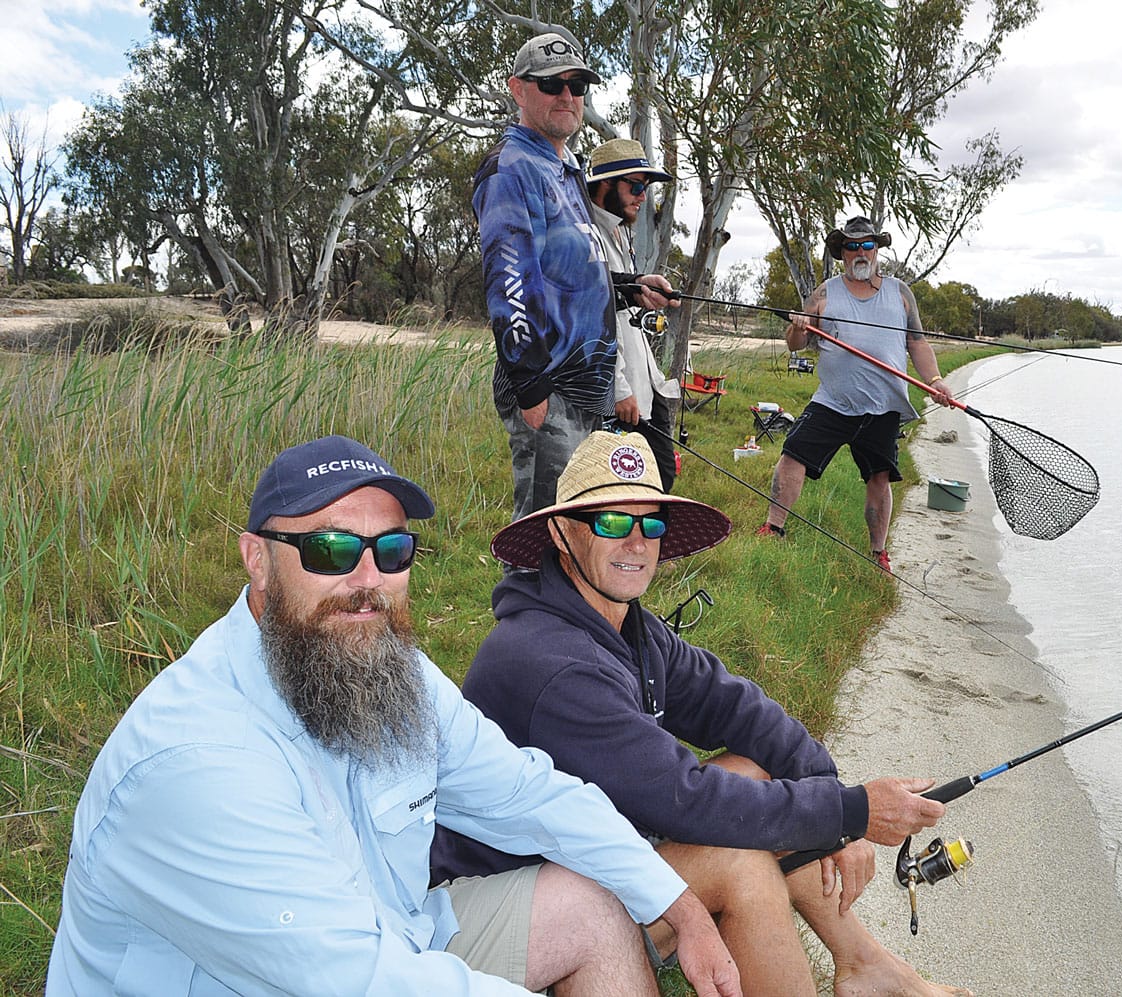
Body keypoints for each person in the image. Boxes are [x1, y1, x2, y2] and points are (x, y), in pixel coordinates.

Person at [47, 435, 739, 997]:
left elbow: (529, 793)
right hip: (304, 976)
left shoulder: (385, 669)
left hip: (394, 932)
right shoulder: (195, 761)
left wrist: (674, 903)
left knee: (593, 905)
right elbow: (357, 980)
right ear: (257, 560)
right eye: (331, 549)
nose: (367, 580)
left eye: (392, 550)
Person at [431, 431, 971, 997]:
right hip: (510, 893)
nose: (636, 542)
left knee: (756, 772)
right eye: (612, 522)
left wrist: (828, 789)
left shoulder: (627, 625)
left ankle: (863, 963)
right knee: (734, 856)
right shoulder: (549, 662)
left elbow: (737, 707)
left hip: (585, 851)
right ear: (562, 533)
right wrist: (852, 811)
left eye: (652, 524)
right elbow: (687, 799)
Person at [475, 33, 677, 524]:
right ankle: (526, 602)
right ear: (518, 90)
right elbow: (511, 287)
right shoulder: (512, 168)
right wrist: (532, 389)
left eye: (577, 84)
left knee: (582, 527)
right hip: (553, 391)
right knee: (547, 528)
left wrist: (629, 288)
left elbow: (569, 278)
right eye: (551, 85)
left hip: (589, 391)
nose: (567, 96)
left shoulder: (565, 168)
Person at [755, 216, 956, 573]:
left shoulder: (901, 293)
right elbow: (795, 345)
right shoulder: (826, 292)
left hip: (884, 405)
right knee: (792, 456)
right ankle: (773, 527)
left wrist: (937, 380)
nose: (860, 252)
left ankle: (878, 553)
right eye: (852, 246)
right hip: (833, 400)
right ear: (842, 253)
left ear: (877, 250)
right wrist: (798, 326)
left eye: (867, 245)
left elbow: (917, 344)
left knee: (879, 477)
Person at [587, 137, 680, 491]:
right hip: (622, 397)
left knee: (661, 480)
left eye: (646, 187)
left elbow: (624, 312)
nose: (643, 196)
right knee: (632, 489)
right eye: (636, 186)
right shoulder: (590, 235)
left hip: (645, 388)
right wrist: (619, 388)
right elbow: (596, 321)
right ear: (606, 185)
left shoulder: (618, 232)